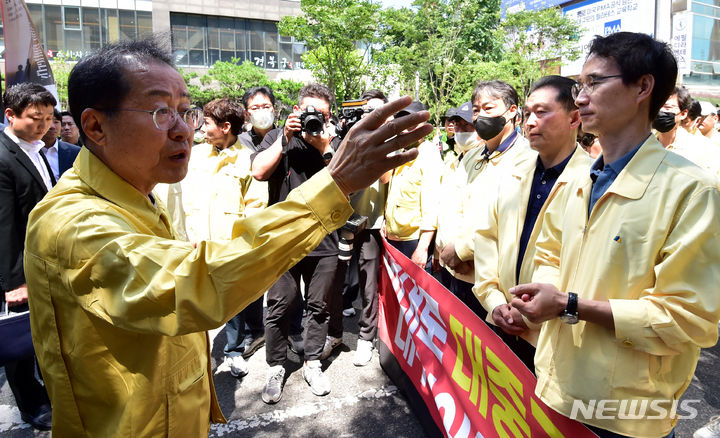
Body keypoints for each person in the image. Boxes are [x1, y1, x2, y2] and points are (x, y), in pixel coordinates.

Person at [23, 38, 431, 437]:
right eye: (161, 112)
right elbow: (195, 285)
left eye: (186, 112)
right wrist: (336, 180)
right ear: (95, 125)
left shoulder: (135, 198)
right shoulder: (75, 222)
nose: (183, 130)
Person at [509, 32, 720, 437]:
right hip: (556, 386)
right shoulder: (578, 180)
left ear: (643, 86)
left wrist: (570, 305)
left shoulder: (691, 189)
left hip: (624, 411)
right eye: (578, 85)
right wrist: (544, 294)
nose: (581, 97)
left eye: (594, 83)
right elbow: (550, 253)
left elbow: (687, 320)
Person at [473, 75, 592, 373]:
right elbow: (488, 236)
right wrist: (494, 300)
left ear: (574, 117)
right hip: (500, 317)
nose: (530, 122)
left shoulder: (592, 182)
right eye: (527, 113)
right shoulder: (514, 173)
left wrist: (526, 314)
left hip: (552, 335)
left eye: (542, 112)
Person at [252, 83, 350, 402]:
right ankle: (276, 366)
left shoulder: (334, 142)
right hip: (284, 238)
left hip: (325, 237)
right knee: (280, 303)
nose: (312, 118)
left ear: (329, 115)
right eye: (307, 112)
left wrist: (325, 145)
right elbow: (258, 171)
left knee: (319, 306)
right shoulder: (278, 137)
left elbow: (346, 181)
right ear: (295, 111)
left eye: (320, 114)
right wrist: (284, 138)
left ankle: (311, 362)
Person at [181, 97, 268, 377]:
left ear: (225, 126)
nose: (202, 128)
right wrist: (188, 232)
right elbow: (185, 197)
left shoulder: (248, 159)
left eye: (207, 123)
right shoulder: (195, 155)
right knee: (197, 301)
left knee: (231, 301)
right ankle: (196, 354)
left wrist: (239, 242)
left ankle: (232, 351)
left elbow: (255, 206)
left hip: (231, 247)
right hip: (197, 243)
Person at [440, 80, 532, 319]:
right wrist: (450, 248)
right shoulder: (472, 157)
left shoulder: (527, 159)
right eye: (477, 110)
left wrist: (461, 250)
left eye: (488, 108)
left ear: (512, 112)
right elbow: (452, 205)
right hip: (456, 271)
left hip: (495, 285)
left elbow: (506, 219)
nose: (480, 116)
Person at [0, 82, 55, 431]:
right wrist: (13, 281)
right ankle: (31, 405)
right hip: (19, 269)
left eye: (49, 118)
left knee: (45, 333)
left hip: (45, 259)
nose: (44, 125)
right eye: (36, 118)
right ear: (10, 115)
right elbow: (3, 225)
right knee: (20, 342)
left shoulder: (36, 148)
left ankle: (50, 391)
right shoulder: (4, 156)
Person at [342, 89, 392, 367]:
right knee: (335, 280)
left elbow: (385, 176)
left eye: (377, 110)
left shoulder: (391, 140)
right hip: (342, 220)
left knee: (368, 284)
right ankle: (333, 334)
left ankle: (365, 337)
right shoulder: (349, 135)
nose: (371, 114)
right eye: (366, 110)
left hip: (372, 223)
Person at [384, 100, 442, 269]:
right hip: (393, 239)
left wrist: (422, 248)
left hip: (414, 242)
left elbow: (432, 207)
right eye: (402, 123)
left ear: (424, 126)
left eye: (412, 124)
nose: (406, 128)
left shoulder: (428, 154)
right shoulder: (400, 152)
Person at [433, 101, 483, 294]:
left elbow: (480, 217)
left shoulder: (486, 164)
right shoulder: (453, 163)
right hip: (448, 265)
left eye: (467, 125)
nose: (461, 130)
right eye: (458, 125)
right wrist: (439, 253)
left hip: (471, 270)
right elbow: (444, 210)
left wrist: (462, 254)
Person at [654, 87, 720, 180]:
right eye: (657, 106)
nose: (660, 112)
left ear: (683, 114)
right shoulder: (642, 144)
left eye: (667, 107)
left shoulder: (702, 149)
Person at [41, 108, 81, 181]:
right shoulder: (30, 151)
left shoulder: (76, 152)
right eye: (48, 121)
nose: (52, 126)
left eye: (56, 122)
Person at [238, 86, 281, 153]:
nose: (262, 111)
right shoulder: (240, 142)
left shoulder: (284, 137)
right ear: (246, 114)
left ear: (274, 110)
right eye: (255, 108)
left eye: (266, 107)